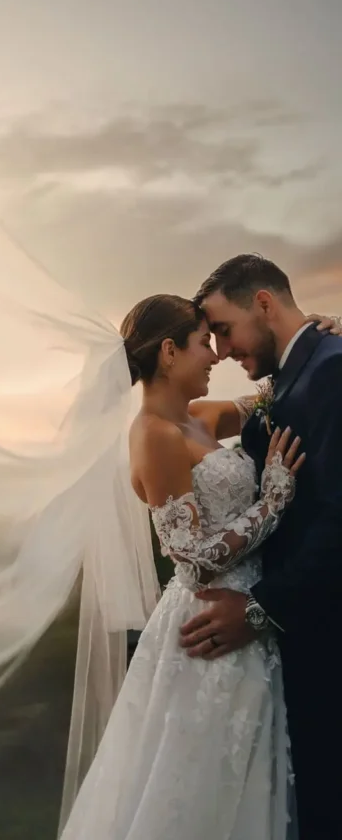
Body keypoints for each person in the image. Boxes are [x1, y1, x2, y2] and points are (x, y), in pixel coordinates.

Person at [58, 293, 341, 840]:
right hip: (209, 623)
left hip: (254, 617)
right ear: (168, 352)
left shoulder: (200, 417)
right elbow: (193, 556)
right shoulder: (153, 437)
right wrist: (272, 502)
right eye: (203, 345)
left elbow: (274, 394)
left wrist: (325, 330)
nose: (215, 356)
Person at [181, 255, 342, 839]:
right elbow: (208, 418)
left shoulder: (333, 369)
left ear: (265, 304)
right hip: (295, 648)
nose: (220, 351)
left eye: (223, 329)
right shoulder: (296, 374)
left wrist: (259, 609)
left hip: (326, 644)